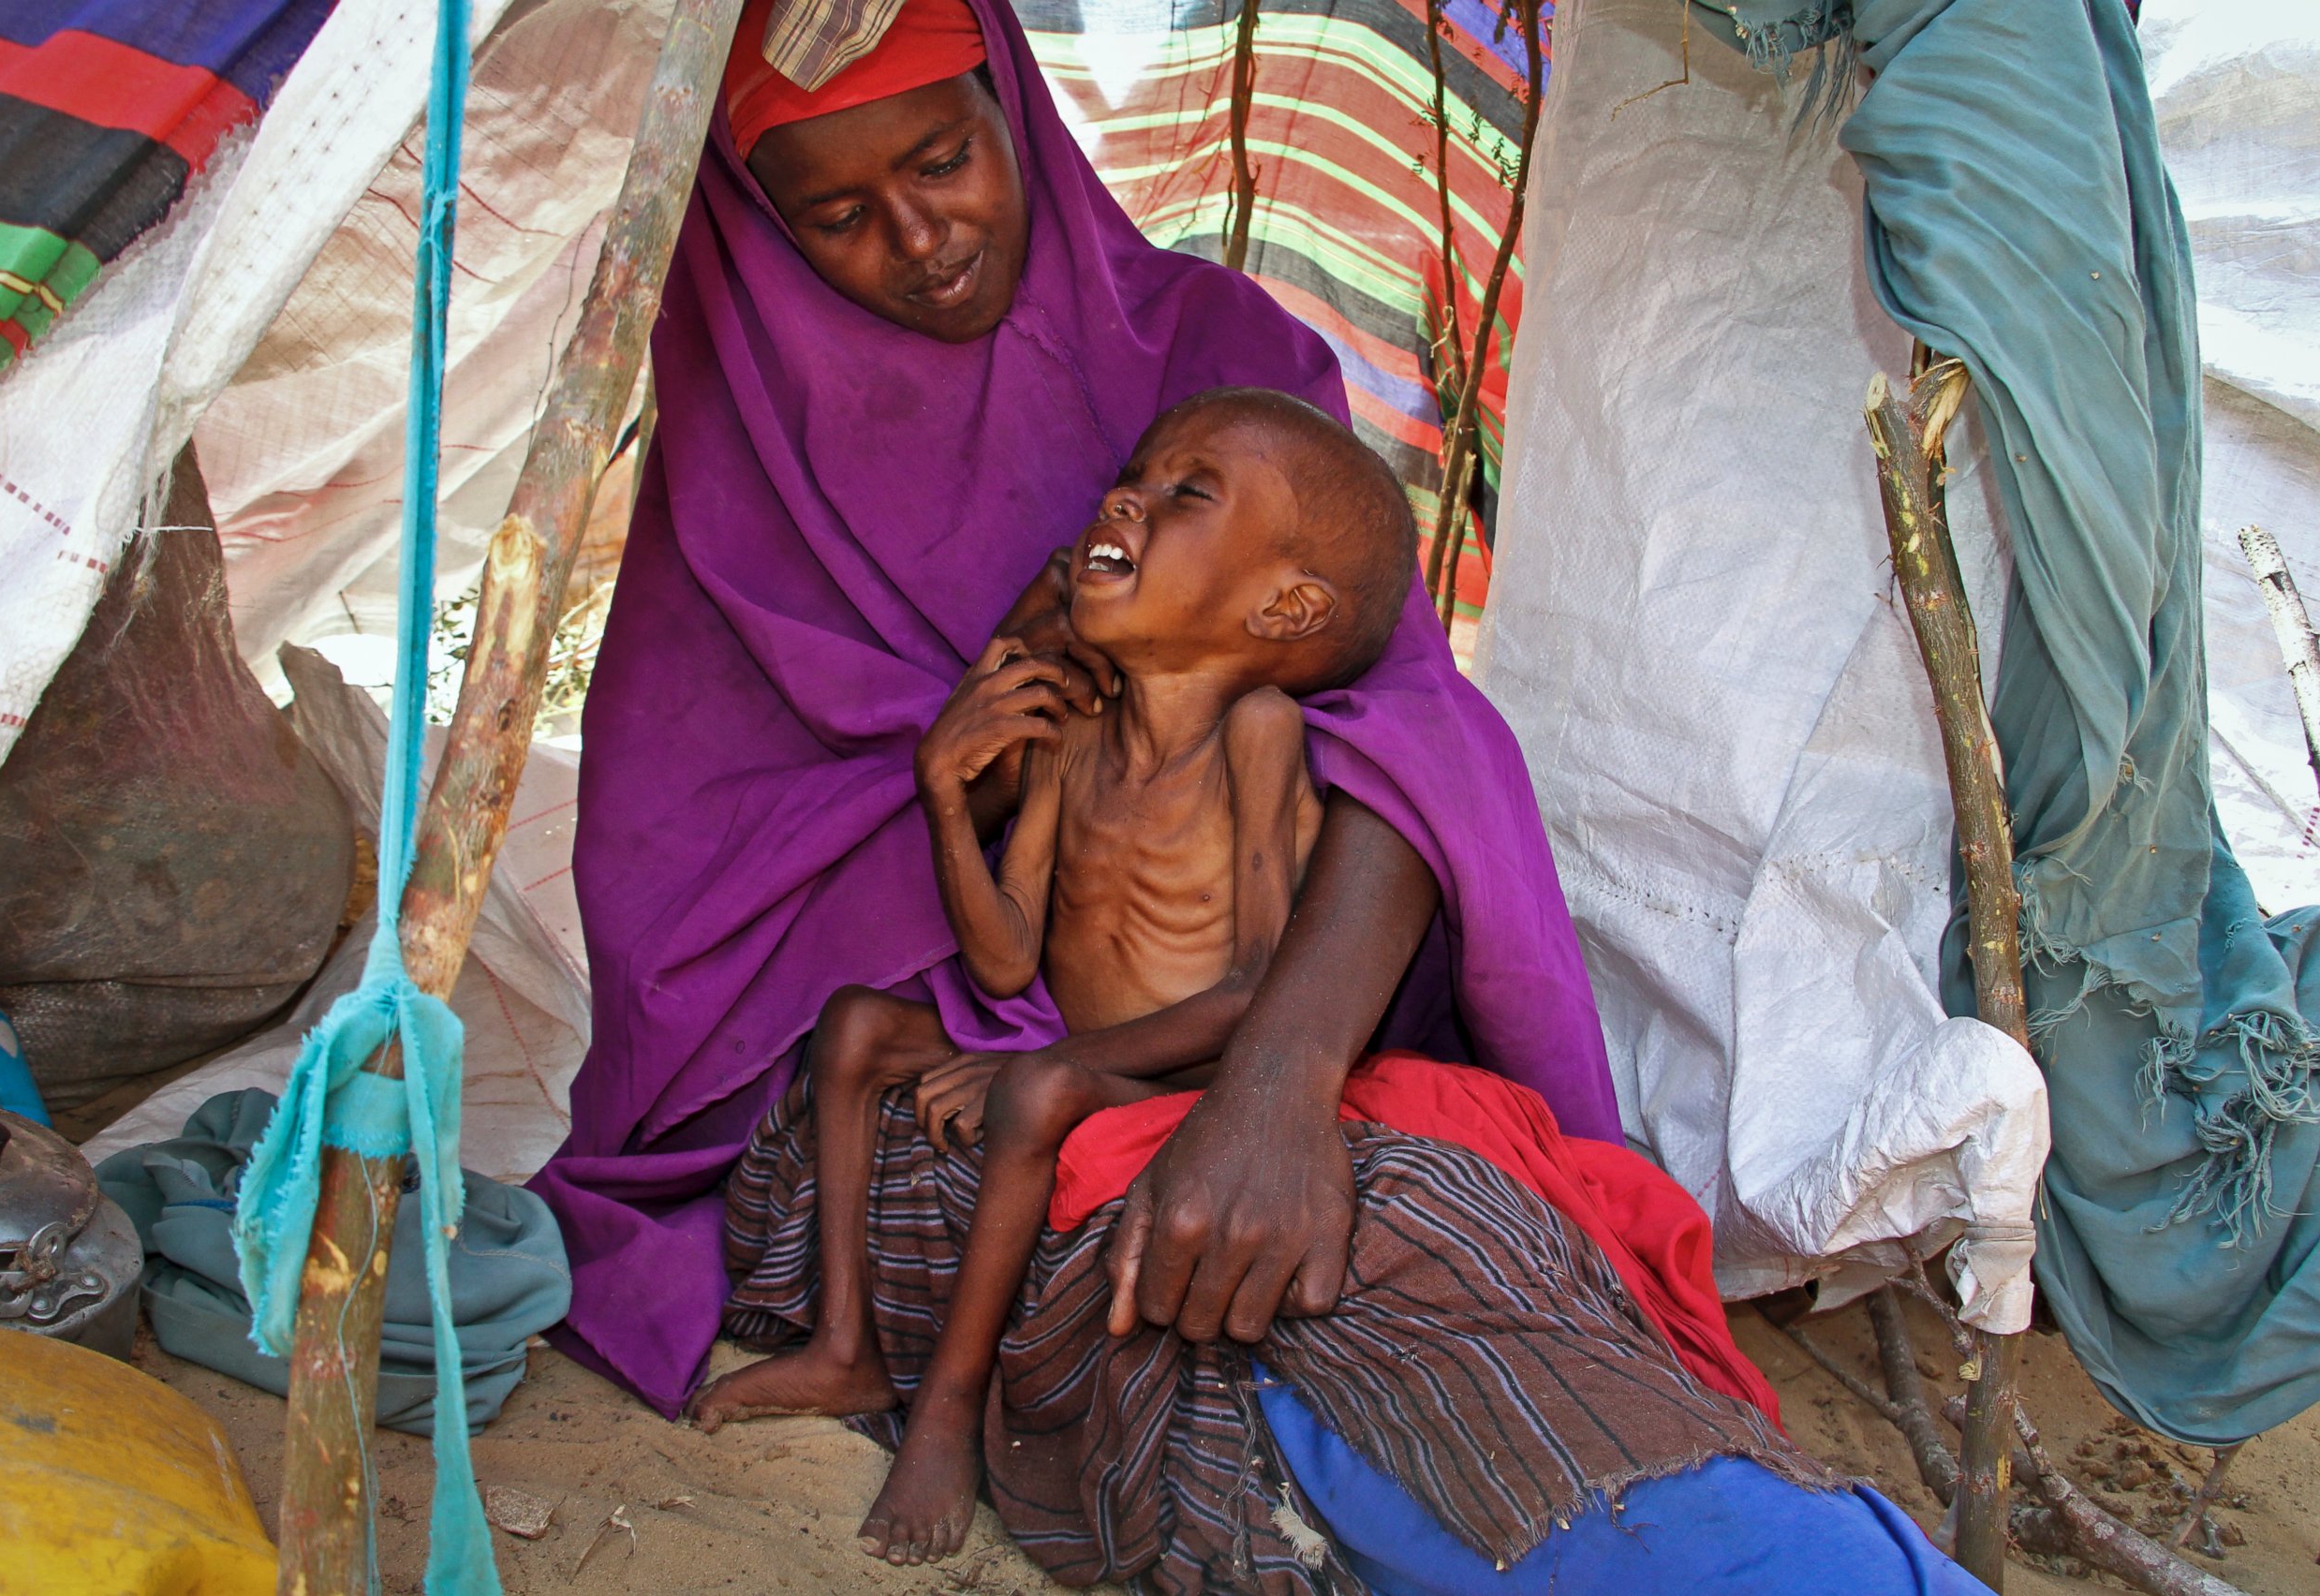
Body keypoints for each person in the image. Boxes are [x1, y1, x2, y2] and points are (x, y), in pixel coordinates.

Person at [526, 0, 1616, 1423]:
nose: (919, 238)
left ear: (1012, 99)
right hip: (942, 985)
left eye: (940, 159)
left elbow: (1408, 728)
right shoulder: (743, 474)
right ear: (761, 231)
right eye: (839, 214)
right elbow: (692, 867)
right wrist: (973, 770)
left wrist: (1279, 1085)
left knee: (1440, 749)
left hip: (1237, 974)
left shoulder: (1214, 362)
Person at [693, 389, 1415, 1561]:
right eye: (1135, 474)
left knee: (1029, 1094)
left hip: (1183, 1088)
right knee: (859, 1027)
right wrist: (942, 791)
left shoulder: (1259, 729)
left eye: (1189, 493)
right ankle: (842, 1343)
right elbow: (1006, 954)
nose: (1125, 496)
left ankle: (947, 1416)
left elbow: (1257, 990)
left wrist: (1049, 1061)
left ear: (1285, 605)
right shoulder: (1074, 736)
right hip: (1067, 1056)